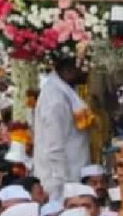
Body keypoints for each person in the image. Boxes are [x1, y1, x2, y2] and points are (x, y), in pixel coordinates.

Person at [33, 55, 92, 200]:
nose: (88, 72)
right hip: (61, 184)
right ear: (69, 71)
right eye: (84, 68)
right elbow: (54, 147)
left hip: (71, 179)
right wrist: (64, 187)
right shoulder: (55, 99)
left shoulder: (63, 92)